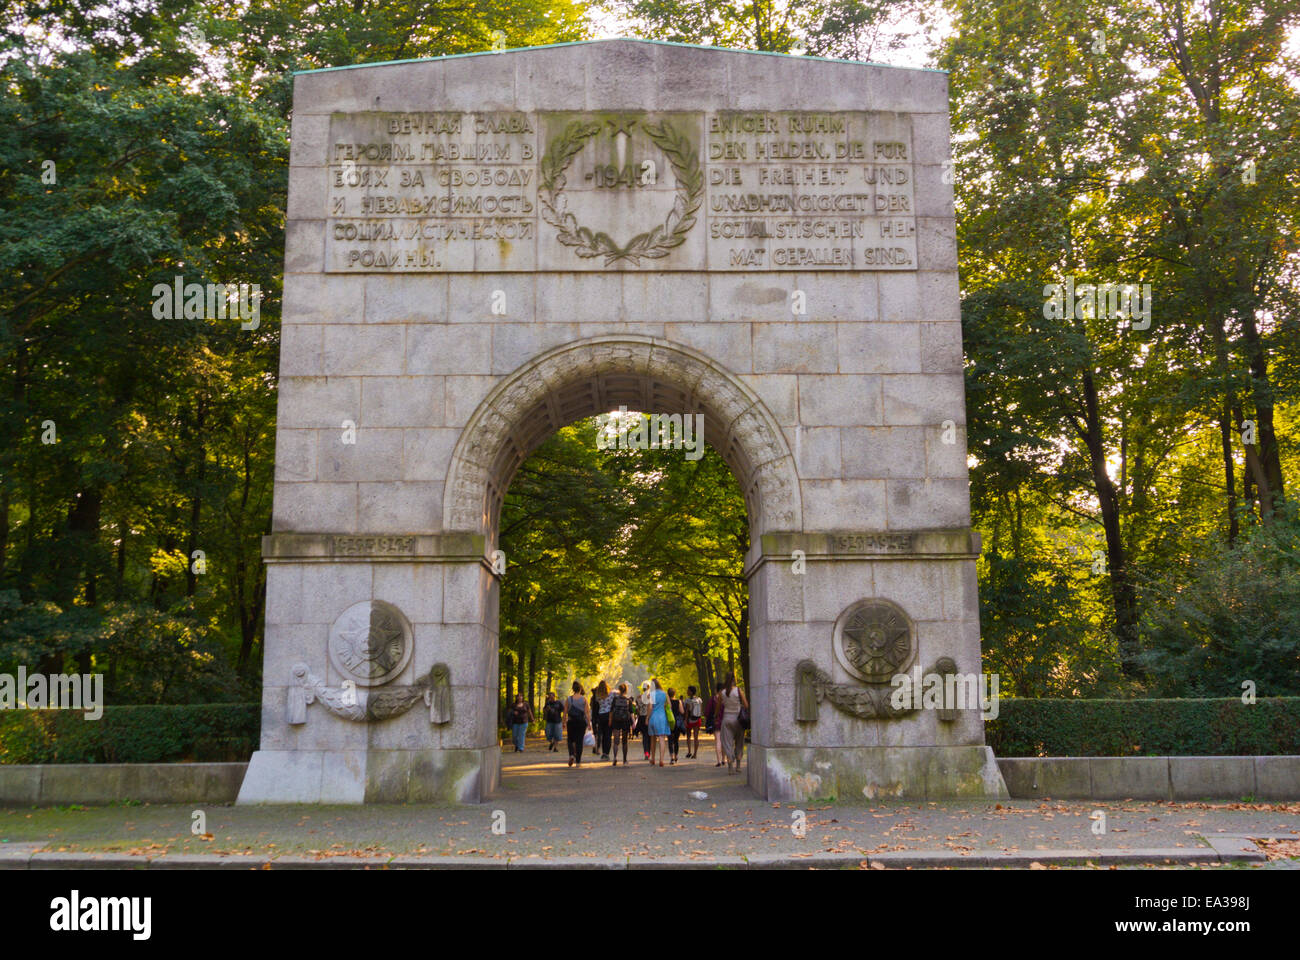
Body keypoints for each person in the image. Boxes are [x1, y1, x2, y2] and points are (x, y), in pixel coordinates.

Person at [719, 672, 749, 774]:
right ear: (734, 680)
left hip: (727, 719)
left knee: (727, 743)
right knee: (739, 742)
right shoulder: (738, 690)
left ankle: (730, 766)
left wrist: (715, 717)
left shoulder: (722, 692)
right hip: (738, 720)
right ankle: (739, 766)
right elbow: (746, 705)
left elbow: (718, 708)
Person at [565, 681, 591, 767]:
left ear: (573, 689)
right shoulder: (584, 699)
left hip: (571, 722)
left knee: (570, 739)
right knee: (579, 741)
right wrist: (589, 723)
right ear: (580, 689)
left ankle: (571, 754)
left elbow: (565, 712)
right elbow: (587, 713)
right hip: (581, 722)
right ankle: (578, 761)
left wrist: (563, 723)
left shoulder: (569, 699)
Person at [609, 682, 634, 766]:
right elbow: (631, 713)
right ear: (626, 690)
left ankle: (615, 758)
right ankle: (624, 759)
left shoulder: (615, 699)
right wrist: (633, 723)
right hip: (625, 722)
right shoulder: (628, 700)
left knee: (616, 741)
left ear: (619, 690)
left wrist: (610, 720)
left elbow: (611, 711)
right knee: (625, 741)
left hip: (616, 721)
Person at [648, 678, 671, 767]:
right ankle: (661, 760)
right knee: (662, 738)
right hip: (662, 718)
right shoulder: (665, 693)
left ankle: (653, 758)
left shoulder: (652, 694)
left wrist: (647, 718)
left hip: (653, 718)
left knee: (652, 739)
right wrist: (663, 706)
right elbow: (669, 705)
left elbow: (650, 707)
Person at [593, 681, 613, 761]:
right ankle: (606, 753)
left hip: (601, 715)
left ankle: (601, 751)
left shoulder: (597, 695)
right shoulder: (611, 694)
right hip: (608, 715)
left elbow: (597, 705)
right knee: (608, 735)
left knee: (601, 734)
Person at [635, 680, 654, 761]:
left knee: (645, 736)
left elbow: (637, 710)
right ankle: (649, 752)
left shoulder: (638, 698)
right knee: (650, 736)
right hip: (650, 717)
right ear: (649, 688)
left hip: (642, 718)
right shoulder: (651, 697)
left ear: (643, 689)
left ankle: (646, 753)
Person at [683, 685, 703, 759]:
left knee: (688, 736)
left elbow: (687, 711)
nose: (687, 692)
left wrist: (685, 720)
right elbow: (701, 710)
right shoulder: (699, 699)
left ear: (691, 692)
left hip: (690, 720)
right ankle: (695, 754)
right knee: (696, 737)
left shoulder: (687, 700)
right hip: (697, 720)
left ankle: (689, 751)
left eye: (688, 690)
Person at [709, 682, 726, 767]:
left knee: (718, 741)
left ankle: (718, 760)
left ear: (717, 689)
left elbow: (708, 711)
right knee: (724, 741)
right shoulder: (726, 698)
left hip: (717, 721)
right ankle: (724, 759)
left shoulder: (713, 699)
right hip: (725, 721)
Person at [667, 687, 685, 764]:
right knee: (676, 740)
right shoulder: (678, 701)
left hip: (669, 722)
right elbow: (682, 711)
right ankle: (676, 756)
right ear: (675, 694)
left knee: (670, 740)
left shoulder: (667, 702)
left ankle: (671, 757)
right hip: (677, 723)